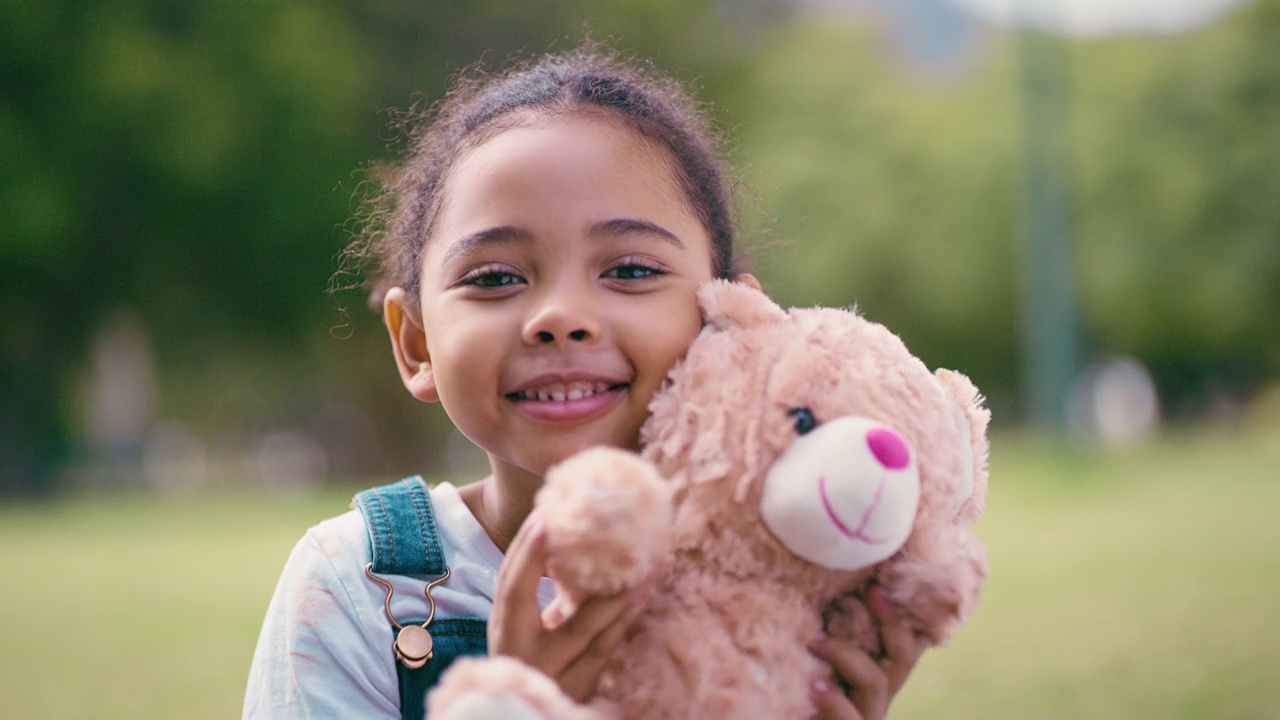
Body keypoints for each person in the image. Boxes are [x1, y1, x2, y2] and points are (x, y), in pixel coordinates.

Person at [243, 45, 925, 720]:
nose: (561, 317)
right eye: (496, 278)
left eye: (629, 269)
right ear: (416, 343)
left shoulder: (795, 571)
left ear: (735, 322)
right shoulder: (356, 585)